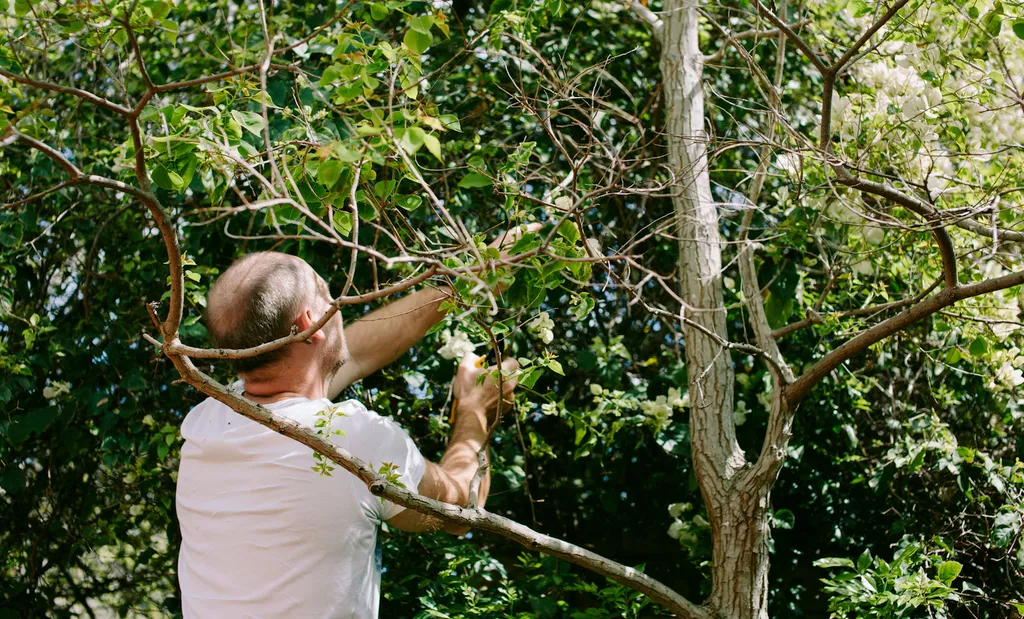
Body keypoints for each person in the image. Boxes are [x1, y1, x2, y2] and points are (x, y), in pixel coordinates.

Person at [175, 248, 520, 618]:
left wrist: (466, 283)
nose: (338, 303)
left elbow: (353, 352)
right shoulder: (351, 441)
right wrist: (474, 406)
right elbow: (461, 509)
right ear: (310, 324)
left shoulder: (208, 419)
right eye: (327, 294)